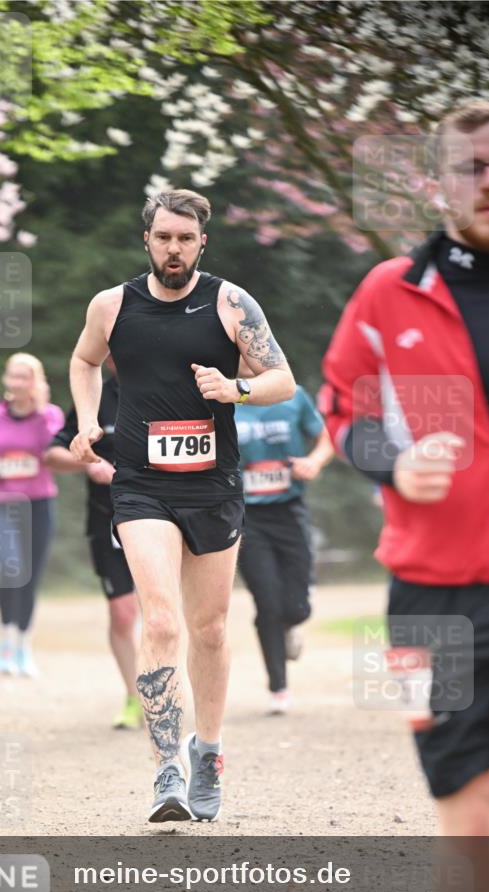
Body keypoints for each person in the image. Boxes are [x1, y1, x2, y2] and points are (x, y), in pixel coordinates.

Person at [322, 101, 489, 892]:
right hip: (426, 597)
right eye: (471, 168)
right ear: (441, 184)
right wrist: (393, 461)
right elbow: (340, 409)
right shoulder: (390, 291)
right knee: (468, 820)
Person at [69, 188, 295, 823]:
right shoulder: (112, 306)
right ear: (147, 239)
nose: (174, 249)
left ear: (203, 243)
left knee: (211, 629)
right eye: (164, 237)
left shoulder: (231, 304)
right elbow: (84, 361)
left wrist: (237, 387)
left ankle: (209, 754)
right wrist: (88, 421)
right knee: (162, 623)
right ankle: (166, 767)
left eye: (186, 239)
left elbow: (284, 379)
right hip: (141, 484)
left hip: (212, 485)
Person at [44, 356, 142, 730]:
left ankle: (164, 692)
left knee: (163, 614)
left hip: (164, 518)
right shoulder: (95, 397)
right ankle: (134, 697)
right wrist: (88, 463)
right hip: (108, 520)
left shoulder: (170, 384)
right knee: (122, 614)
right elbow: (53, 453)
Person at [235, 364, 333, 713]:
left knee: (296, 606)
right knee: (267, 601)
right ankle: (278, 687)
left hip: (289, 511)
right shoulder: (222, 396)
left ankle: (292, 623)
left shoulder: (293, 396)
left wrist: (314, 462)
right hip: (246, 517)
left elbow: (325, 437)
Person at [0, 353, 64, 677]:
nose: (16, 383)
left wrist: (42, 415)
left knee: (31, 575)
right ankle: (6, 640)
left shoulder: (49, 415)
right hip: (0, 502)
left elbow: (55, 448)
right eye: (12, 376)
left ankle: (24, 643)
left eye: (24, 377)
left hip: (38, 502)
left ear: (35, 381)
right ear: (5, 379)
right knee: (10, 569)